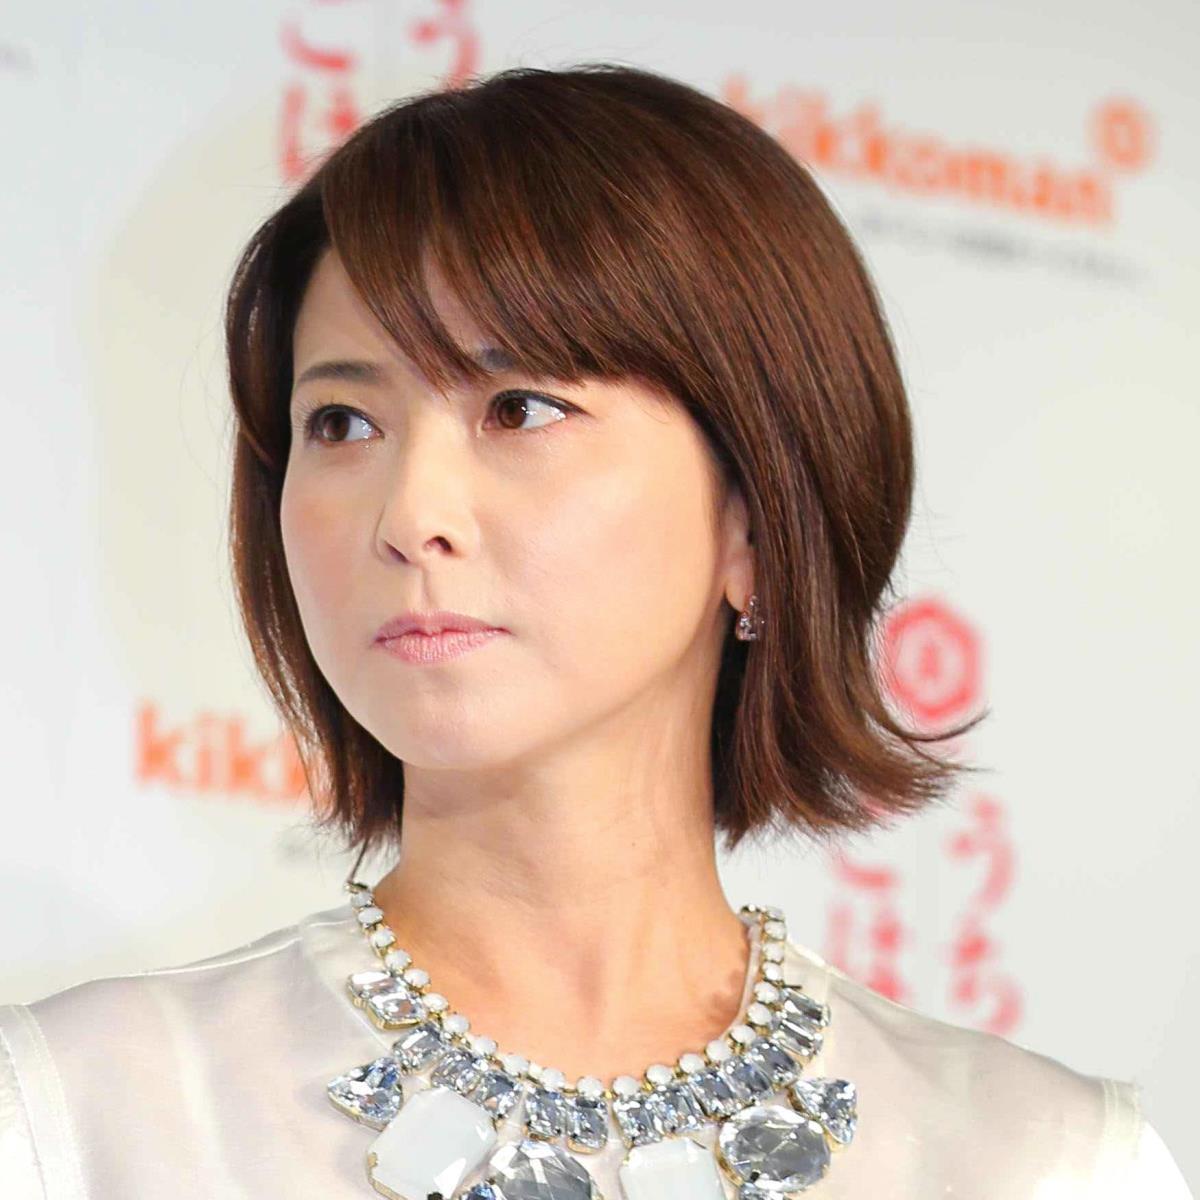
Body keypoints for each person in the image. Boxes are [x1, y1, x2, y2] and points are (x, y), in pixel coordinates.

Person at [0, 62, 1190, 1199]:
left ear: (754, 519)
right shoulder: (83, 1121)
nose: (410, 516)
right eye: (344, 422)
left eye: (520, 409)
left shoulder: (1041, 1164)